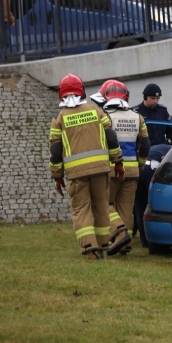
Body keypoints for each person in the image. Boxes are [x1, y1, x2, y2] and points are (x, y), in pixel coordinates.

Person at [49, 74, 124, 260]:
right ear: (81, 90)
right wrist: (118, 162)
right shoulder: (97, 111)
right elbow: (112, 138)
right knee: (100, 206)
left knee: (81, 209)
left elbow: (56, 151)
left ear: (61, 93)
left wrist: (57, 176)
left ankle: (90, 249)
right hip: (100, 170)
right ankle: (102, 245)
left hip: (76, 174)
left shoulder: (59, 120)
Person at [99, 80, 150, 256]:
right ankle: (125, 246)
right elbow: (145, 145)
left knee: (104, 203)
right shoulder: (138, 117)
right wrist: (140, 164)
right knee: (126, 207)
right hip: (133, 170)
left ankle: (120, 235)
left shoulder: (105, 117)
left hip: (112, 169)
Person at [134, 144, 172, 248]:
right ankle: (155, 239)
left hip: (138, 169)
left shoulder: (160, 148)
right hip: (150, 169)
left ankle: (144, 240)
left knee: (140, 206)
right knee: (154, 205)